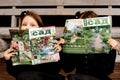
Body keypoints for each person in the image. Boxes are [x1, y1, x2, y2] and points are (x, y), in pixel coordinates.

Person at [3, 10, 64, 80]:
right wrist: (8, 60)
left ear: (40, 28)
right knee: (24, 76)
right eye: (24, 24)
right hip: (26, 77)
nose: (27, 27)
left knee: (30, 76)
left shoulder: (49, 43)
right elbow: (14, 73)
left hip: (46, 77)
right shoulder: (15, 45)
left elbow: (55, 70)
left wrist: (59, 52)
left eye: (32, 25)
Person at [60, 11, 116, 80]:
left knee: (73, 77)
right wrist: (64, 49)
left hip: (99, 78)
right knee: (73, 77)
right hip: (80, 78)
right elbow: (68, 68)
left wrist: (111, 50)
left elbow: (108, 71)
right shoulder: (77, 43)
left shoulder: (105, 42)